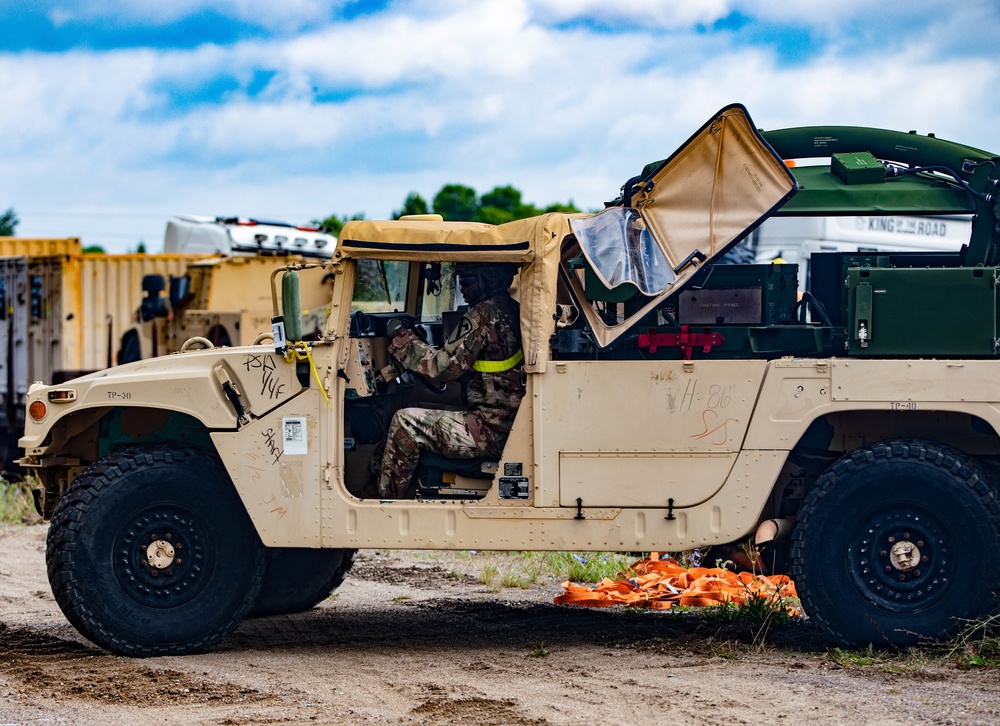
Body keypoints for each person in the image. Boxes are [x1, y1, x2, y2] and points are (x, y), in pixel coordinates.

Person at [377, 262, 525, 499]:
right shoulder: (512, 309)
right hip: (505, 422)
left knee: (404, 421)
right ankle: (376, 483)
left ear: (489, 280)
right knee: (418, 409)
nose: (462, 288)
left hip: (490, 430)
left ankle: (384, 504)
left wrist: (403, 340)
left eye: (467, 281)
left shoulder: (483, 314)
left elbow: (443, 368)